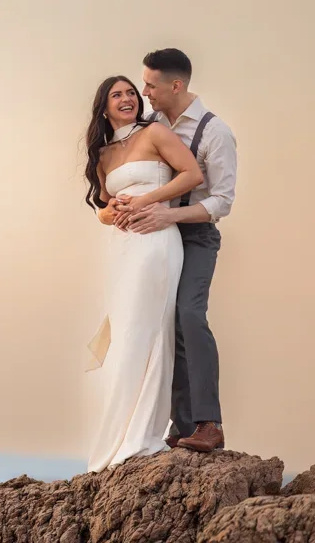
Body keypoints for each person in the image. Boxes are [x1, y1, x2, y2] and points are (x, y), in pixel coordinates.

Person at [110, 48, 238, 453]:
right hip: (153, 240)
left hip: (195, 236)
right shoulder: (149, 125)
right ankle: (179, 425)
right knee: (158, 323)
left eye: (149, 84)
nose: (143, 91)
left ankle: (208, 423)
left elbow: (222, 201)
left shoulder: (215, 131)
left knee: (189, 315)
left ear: (175, 85)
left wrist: (169, 217)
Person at [83, 74, 203, 472]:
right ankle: (118, 432)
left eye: (131, 92)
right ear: (104, 107)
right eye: (117, 95)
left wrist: (146, 200)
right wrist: (113, 211)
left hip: (155, 241)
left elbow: (191, 174)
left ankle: (144, 435)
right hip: (124, 250)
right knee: (126, 334)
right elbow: (101, 210)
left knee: (150, 330)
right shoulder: (102, 155)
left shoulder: (155, 134)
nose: (127, 98)